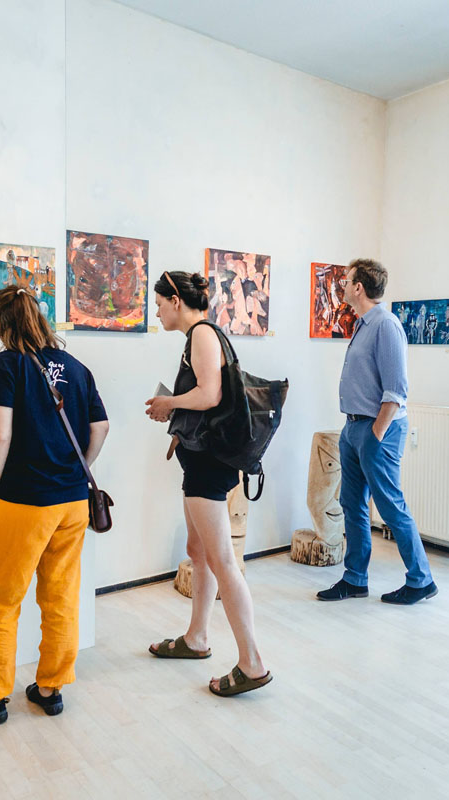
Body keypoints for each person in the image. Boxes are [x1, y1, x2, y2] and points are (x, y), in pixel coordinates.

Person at [0, 286, 109, 725]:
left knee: (2, 600)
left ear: (2, 323)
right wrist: (75, 467)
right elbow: (101, 426)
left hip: (23, 501)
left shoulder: (8, 365)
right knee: (61, 598)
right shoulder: (76, 368)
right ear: (40, 317)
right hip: (71, 502)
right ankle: (51, 689)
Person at [144, 271, 271, 697]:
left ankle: (252, 663)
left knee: (221, 560)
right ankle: (196, 637)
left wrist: (169, 403)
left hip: (208, 465)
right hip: (201, 461)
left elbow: (209, 395)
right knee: (198, 551)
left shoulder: (201, 333)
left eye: (159, 304)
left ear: (176, 300)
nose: (157, 312)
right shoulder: (201, 335)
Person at [318, 258, 437, 605]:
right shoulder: (362, 324)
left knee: (390, 506)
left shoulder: (386, 325)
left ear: (359, 287)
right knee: (352, 504)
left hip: (377, 429)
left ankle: (421, 580)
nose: (342, 286)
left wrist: (375, 435)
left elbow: (396, 391)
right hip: (353, 426)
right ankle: (355, 579)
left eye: (346, 281)